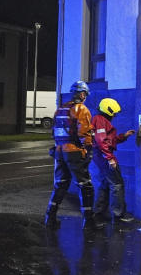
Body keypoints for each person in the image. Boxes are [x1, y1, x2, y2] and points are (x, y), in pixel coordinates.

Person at [43, 80, 100, 231]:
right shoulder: (81, 109)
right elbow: (84, 132)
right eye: (85, 95)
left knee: (61, 185)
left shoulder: (61, 109)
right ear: (82, 94)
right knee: (85, 185)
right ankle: (89, 222)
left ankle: (50, 217)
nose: (85, 97)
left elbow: (54, 132)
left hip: (60, 152)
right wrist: (88, 149)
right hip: (74, 151)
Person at [92, 97, 136, 223]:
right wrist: (110, 158)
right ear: (109, 111)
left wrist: (124, 136)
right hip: (104, 156)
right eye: (114, 113)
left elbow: (110, 140)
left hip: (101, 155)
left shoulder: (101, 120)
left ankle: (99, 212)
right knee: (117, 184)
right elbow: (101, 141)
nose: (115, 116)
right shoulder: (100, 120)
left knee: (105, 183)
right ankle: (118, 214)